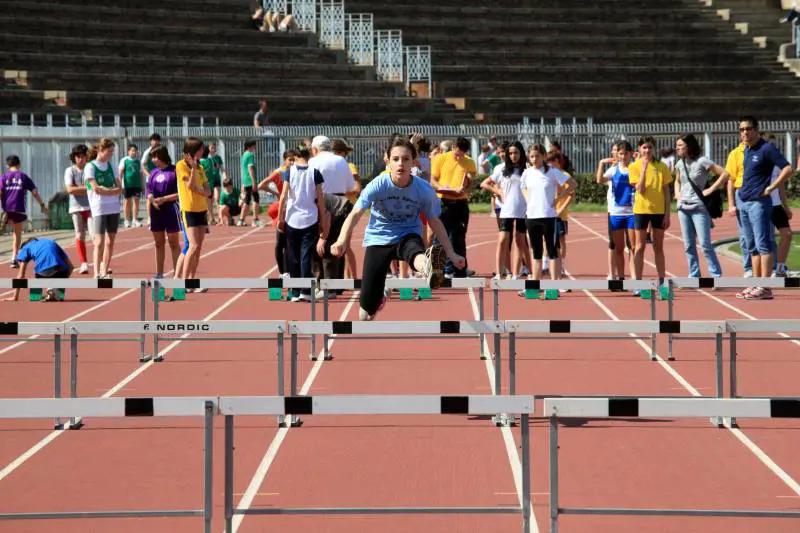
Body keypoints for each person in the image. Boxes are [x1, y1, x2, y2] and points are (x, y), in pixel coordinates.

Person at [331, 139, 466, 321]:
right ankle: (376, 299)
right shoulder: (378, 184)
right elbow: (355, 214)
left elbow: (435, 222)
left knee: (414, 251)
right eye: (396, 159)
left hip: (407, 233)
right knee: (365, 313)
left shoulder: (423, 190)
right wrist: (341, 240)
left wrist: (451, 253)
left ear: (413, 162)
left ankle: (428, 267)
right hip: (379, 238)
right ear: (388, 161)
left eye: (405, 159)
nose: (401, 164)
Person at [736, 117, 792, 300]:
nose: (745, 132)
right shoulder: (747, 149)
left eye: (749, 129)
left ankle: (766, 287)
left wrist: (771, 187)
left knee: (763, 245)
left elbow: (787, 168)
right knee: (751, 247)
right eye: (742, 129)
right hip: (745, 202)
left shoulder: (766, 148)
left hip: (759, 203)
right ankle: (755, 284)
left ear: (757, 129)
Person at [674, 134, 729, 279]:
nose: (677, 148)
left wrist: (711, 189)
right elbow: (677, 180)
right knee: (688, 245)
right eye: (677, 145)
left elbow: (724, 174)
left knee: (705, 245)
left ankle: (716, 275)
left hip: (699, 207)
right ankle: (694, 275)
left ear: (689, 146)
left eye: (680, 145)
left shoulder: (702, 161)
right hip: (683, 208)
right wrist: (677, 193)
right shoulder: (680, 163)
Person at [277, 147, 327, 302]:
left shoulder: (289, 172)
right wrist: (323, 220)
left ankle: (296, 291)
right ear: (309, 155)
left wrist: (280, 218)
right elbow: (320, 198)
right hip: (310, 219)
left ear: (296, 156)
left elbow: (283, 196)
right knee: (306, 255)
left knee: (293, 255)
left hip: (292, 219)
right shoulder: (315, 172)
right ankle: (305, 291)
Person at [521, 144, 575, 283]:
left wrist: (558, 196)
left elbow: (572, 184)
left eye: (537, 156)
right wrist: (528, 199)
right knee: (537, 253)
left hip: (549, 217)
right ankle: (535, 284)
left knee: (552, 252)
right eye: (532, 156)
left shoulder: (552, 171)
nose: (534, 159)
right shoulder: (527, 173)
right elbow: (523, 188)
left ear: (544, 156)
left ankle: (554, 284)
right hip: (532, 217)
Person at [628, 136, 673, 289]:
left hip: (658, 211)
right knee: (639, 246)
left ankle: (662, 281)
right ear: (639, 149)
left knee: (658, 247)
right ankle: (638, 283)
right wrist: (644, 168)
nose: (647, 150)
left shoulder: (662, 166)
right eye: (644, 148)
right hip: (641, 210)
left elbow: (666, 191)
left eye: (650, 147)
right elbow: (639, 188)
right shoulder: (634, 166)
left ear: (654, 149)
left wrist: (667, 213)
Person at [480, 140, 529, 280]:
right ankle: (500, 272)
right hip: (506, 210)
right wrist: (499, 191)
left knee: (520, 242)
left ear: (521, 154)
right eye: (511, 153)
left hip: (522, 210)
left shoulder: (526, 170)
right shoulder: (502, 170)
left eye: (516, 153)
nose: (513, 156)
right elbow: (484, 183)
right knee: (502, 240)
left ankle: (515, 274)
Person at [431, 136, 475, 278]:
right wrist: (443, 187)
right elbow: (433, 180)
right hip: (443, 201)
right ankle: (439, 270)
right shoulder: (440, 159)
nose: (459, 157)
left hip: (460, 203)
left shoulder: (469, 162)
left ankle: (459, 270)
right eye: (457, 154)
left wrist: (467, 186)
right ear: (453, 147)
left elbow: (471, 184)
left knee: (458, 237)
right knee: (440, 236)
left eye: (462, 155)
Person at [0, 155, 48, 269]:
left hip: (6, 208)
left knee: (11, 234)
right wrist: (42, 205)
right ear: (19, 164)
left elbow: (0, 192)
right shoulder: (23, 176)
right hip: (19, 208)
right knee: (17, 235)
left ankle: (4, 219)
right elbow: (34, 192)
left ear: (7, 166)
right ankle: (13, 258)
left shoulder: (3, 177)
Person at [597, 141, 635, 283]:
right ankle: (621, 278)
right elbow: (600, 180)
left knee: (633, 248)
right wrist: (601, 163)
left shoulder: (634, 168)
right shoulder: (613, 170)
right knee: (618, 249)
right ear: (617, 155)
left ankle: (635, 280)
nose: (623, 156)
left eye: (626, 153)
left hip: (632, 212)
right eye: (621, 153)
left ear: (630, 153)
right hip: (616, 213)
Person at [84, 139, 122, 279]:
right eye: (110, 151)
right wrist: (111, 190)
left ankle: (104, 271)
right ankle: (96, 273)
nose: (112, 154)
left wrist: (108, 190)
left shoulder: (111, 166)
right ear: (102, 150)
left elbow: (120, 189)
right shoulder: (90, 166)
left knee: (110, 241)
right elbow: (96, 188)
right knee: (99, 241)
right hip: (99, 208)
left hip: (114, 207)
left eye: (113, 151)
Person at [176, 137, 211, 281]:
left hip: (201, 209)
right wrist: (193, 170)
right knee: (192, 246)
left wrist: (200, 190)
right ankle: (183, 281)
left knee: (199, 248)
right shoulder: (181, 165)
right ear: (192, 151)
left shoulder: (201, 167)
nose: (203, 152)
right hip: (189, 209)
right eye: (200, 149)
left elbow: (207, 190)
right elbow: (190, 186)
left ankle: (191, 279)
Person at [258, 150, 297, 276]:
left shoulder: (297, 171)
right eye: (290, 159)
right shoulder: (279, 173)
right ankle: (283, 271)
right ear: (284, 160)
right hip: (283, 210)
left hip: (294, 209)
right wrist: (276, 193)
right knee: (281, 241)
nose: (292, 162)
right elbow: (261, 185)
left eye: (294, 159)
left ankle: (289, 270)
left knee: (290, 242)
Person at [146, 145, 181, 279]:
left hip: (171, 210)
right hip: (156, 212)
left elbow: (180, 193)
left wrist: (164, 199)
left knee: (173, 243)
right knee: (158, 243)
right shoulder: (154, 173)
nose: (153, 160)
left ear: (162, 156)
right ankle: (159, 273)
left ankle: (177, 274)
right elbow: (149, 191)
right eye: (152, 157)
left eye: (155, 157)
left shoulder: (174, 171)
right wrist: (152, 199)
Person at [5, 238, 74, 302]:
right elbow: (71, 267)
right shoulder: (50, 241)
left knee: (38, 273)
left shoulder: (26, 248)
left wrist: (15, 297)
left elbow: (20, 275)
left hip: (44, 273)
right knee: (61, 269)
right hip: (62, 271)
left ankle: (37, 295)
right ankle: (57, 291)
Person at [765, 134, 793, 277]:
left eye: (775, 145)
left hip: (776, 205)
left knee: (787, 235)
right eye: (770, 145)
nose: (773, 147)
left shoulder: (777, 164)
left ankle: (780, 268)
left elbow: (780, 185)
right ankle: (760, 272)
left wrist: (786, 206)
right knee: (765, 239)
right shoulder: (757, 161)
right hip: (762, 205)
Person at [63, 144, 93, 274]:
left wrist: (79, 189)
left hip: (91, 206)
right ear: (74, 158)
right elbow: (70, 189)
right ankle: (84, 263)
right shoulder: (70, 171)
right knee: (80, 234)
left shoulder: (90, 169)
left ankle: (102, 262)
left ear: (87, 158)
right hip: (76, 207)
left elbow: (94, 186)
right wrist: (87, 188)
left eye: (83, 157)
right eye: (78, 157)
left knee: (95, 234)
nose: (80, 159)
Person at [118, 144, 143, 228]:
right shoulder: (124, 160)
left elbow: (141, 174)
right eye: (132, 150)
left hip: (137, 185)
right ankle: (126, 220)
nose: (134, 152)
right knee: (127, 202)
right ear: (128, 151)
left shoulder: (138, 161)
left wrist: (142, 185)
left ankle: (135, 219)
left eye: (135, 150)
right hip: (127, 185)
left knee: (136, 202)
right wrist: (120, 185)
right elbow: (120, 172)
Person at [239, 139, 261, 227]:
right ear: (249, 146)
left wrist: (243, 182)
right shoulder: (250, 154)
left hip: (245, 180)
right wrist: (254, 182)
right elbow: (250, 168)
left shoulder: (244, 155)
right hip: (249, 180)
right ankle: (255, 219)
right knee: (256, 198)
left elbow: (243, 170)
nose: (255, 147)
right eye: (253, 146)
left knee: (247, 200)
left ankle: (241, 219)